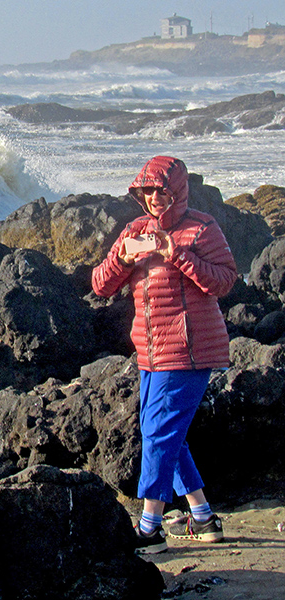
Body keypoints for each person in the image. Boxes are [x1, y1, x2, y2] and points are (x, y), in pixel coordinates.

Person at [91, 156, 237, 554]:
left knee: (158, 432)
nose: (154, 198)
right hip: (150, 353)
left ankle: (149, 527)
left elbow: (224, 281)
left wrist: (175, 253)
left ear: (178, 191)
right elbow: (100, 285)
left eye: (162, 190)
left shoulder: (202, 228)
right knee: (167, 434)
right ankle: (204, 518)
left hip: (191, 350)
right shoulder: (135, 230)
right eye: (148, 191)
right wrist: (123, 257)